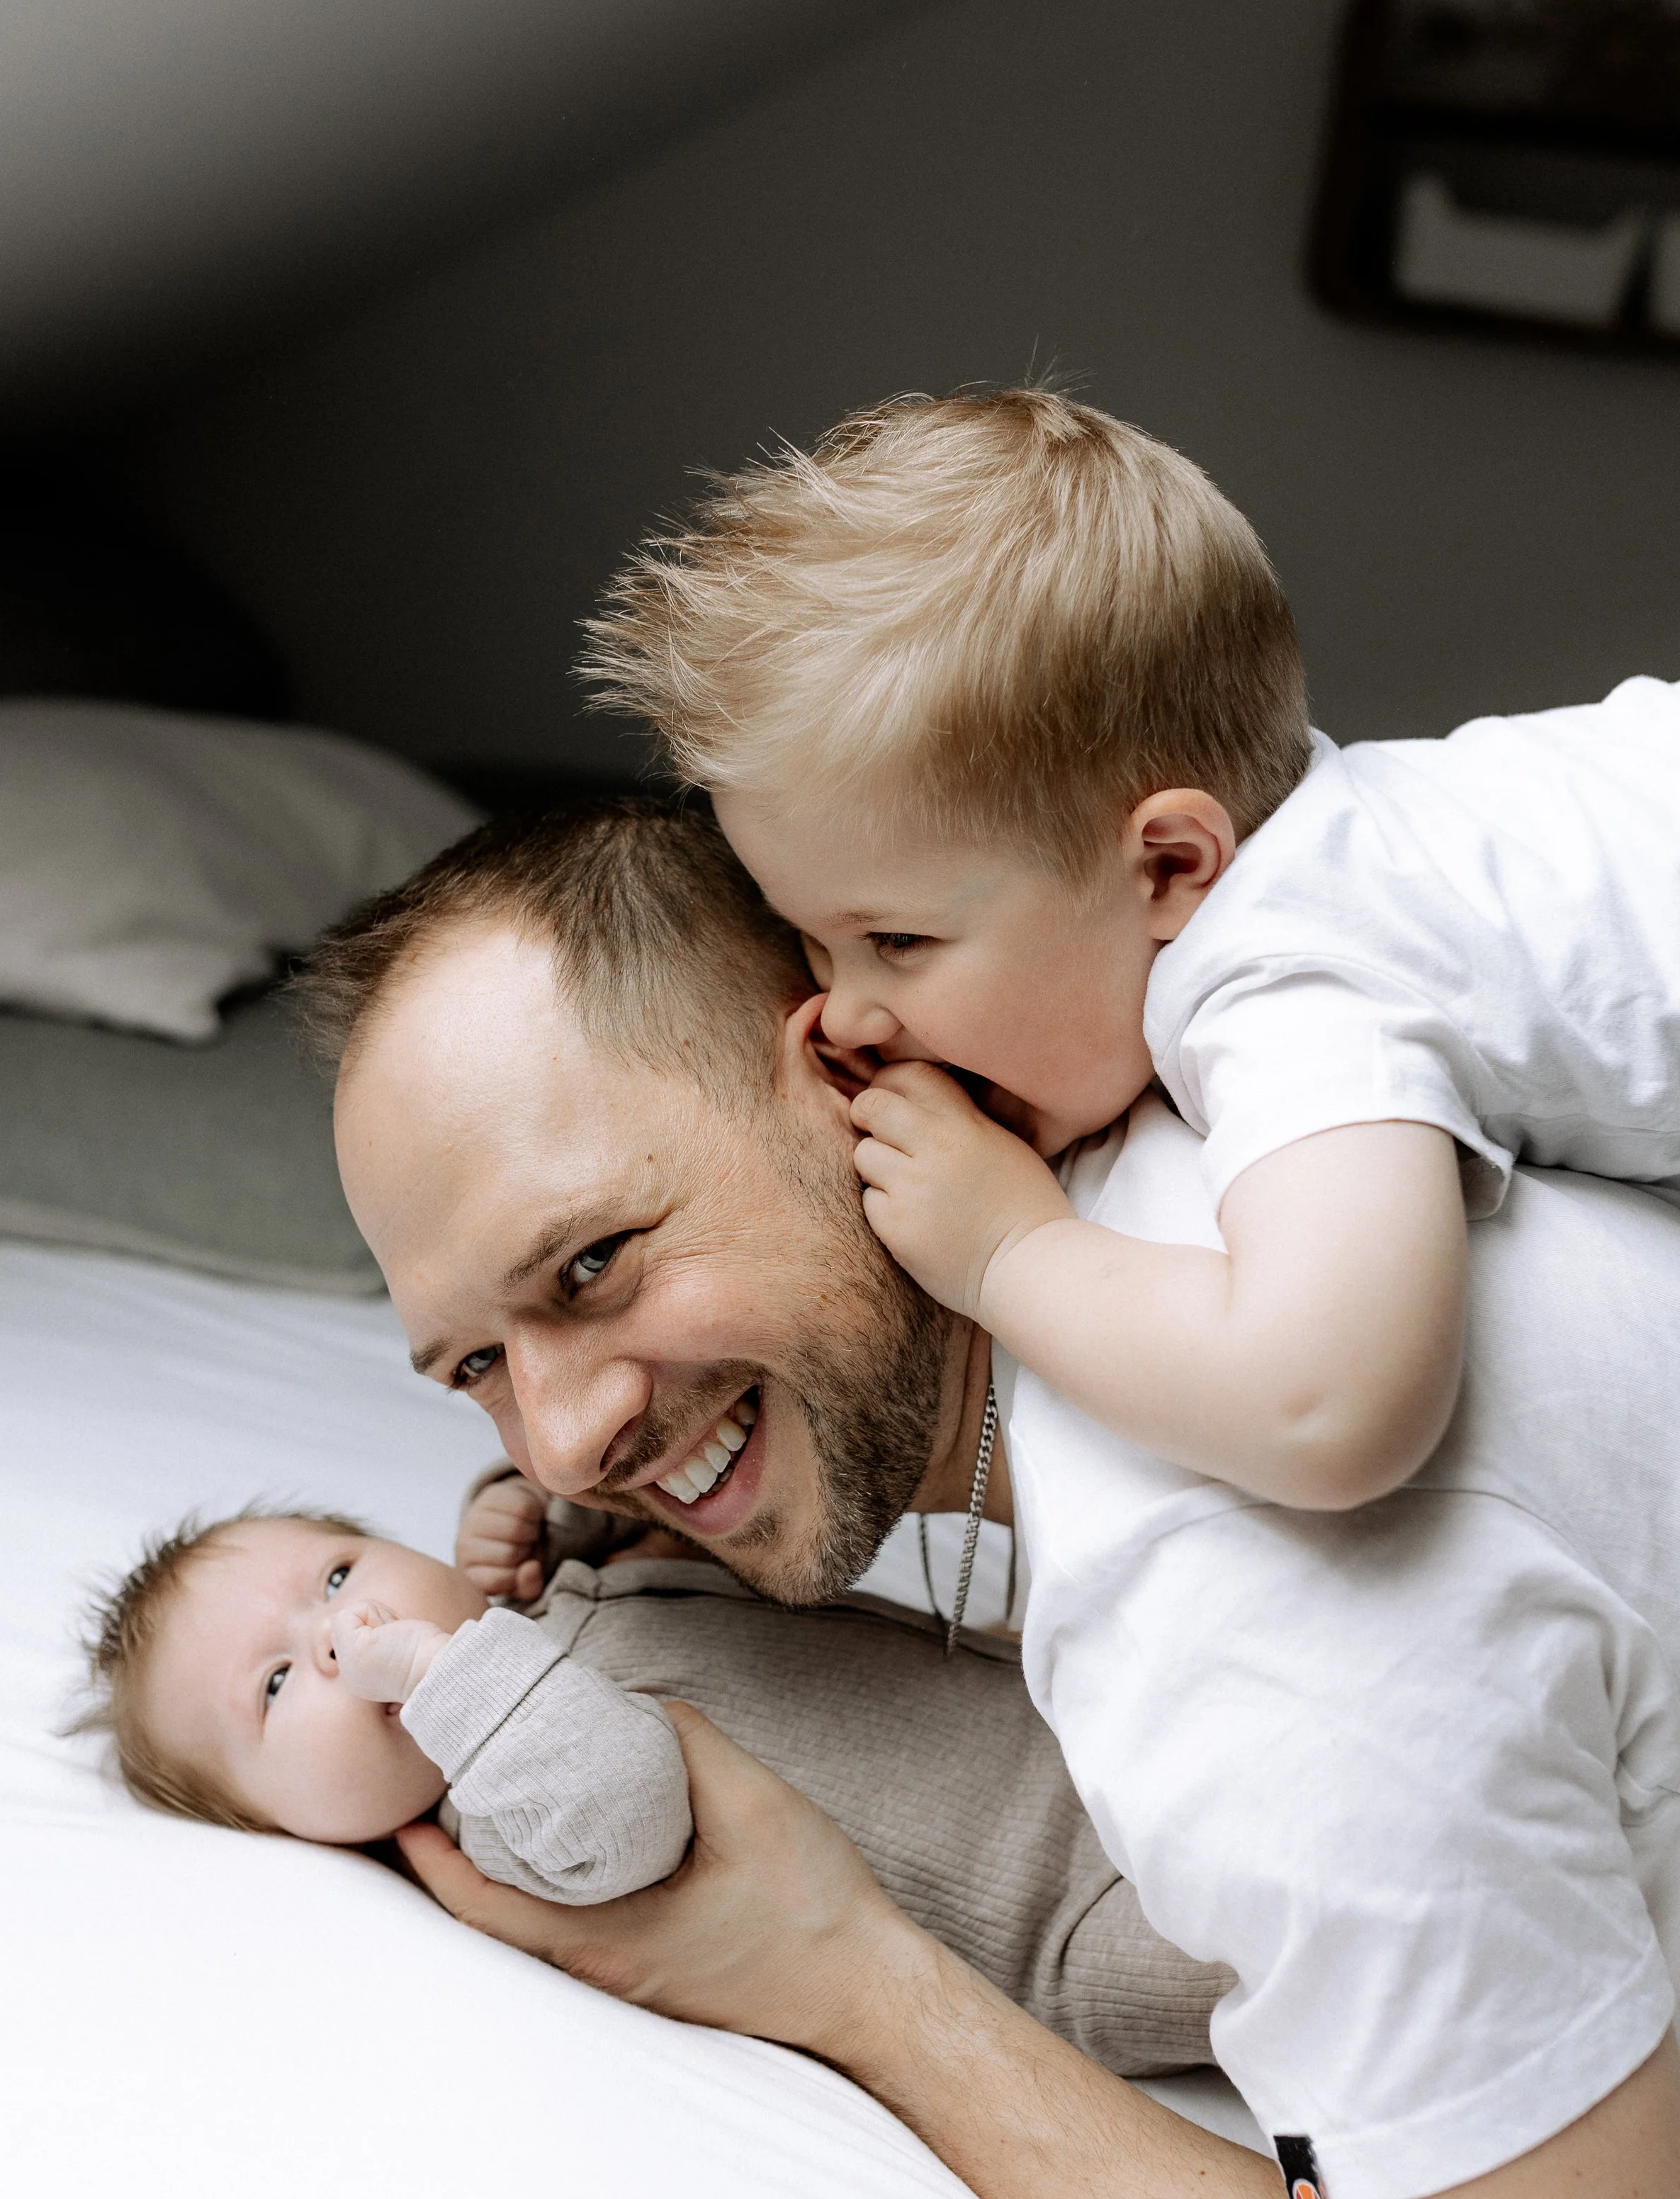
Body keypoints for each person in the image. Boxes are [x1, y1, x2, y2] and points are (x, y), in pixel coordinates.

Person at [300, 794, 1680, 2199]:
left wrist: (851, 1980)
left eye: (592, 1266)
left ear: (851, 1075)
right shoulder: (1239, 1150)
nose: (560, 1439)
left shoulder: (1242, 1614)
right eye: (475, 1367)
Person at [581, 387, 1680, 1517]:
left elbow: (1329, 1411)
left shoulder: (1299, 974)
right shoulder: (1357, 848)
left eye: (896, 939)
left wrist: (1009, 1250)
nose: (849, 1012)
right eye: (810, 941)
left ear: (1166, 865)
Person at [79, 1483, 1229, 2075]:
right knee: (1340, 1942)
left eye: (336, 1573)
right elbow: (625, 1800)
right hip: (1072, 1922)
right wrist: (437, 1669)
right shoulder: (498, 1815)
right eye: (278, 1685)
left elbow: (647, 1529)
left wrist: (534, 1513)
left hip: (1087, 1727)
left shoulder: (540, 1616)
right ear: (284, 1829)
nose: (343, 1633)